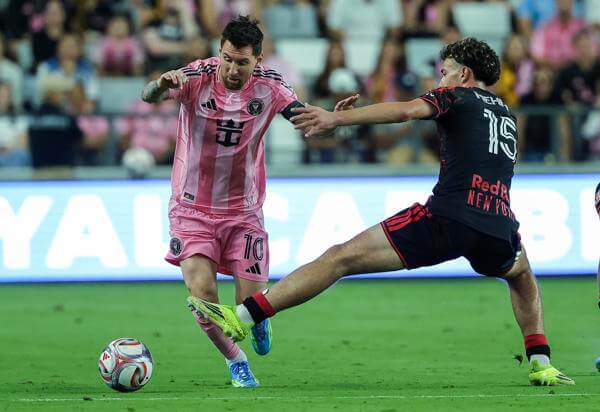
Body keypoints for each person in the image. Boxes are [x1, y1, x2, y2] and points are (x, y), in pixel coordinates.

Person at [189, 37, 576, 387]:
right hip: (498, 224)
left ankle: (242, 317)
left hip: (447, 218)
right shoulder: (506, 113)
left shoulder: (455, 96)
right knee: (521, 274)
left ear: (464, 74)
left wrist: (337, 118)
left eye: (444, 72)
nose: (440, 80)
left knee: (340, 258)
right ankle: (541, 362)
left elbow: (407, 111)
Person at [140, 15, 318, 388]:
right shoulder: (195, 77)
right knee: (202, 294)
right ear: (219, 52)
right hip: (191, 209)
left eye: (242, 62)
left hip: (243, 212)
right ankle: (236, 361)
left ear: (258, 60)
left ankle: (260, 317)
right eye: (227, 59)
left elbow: (304, 119)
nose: (232, 69)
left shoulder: (271, 86)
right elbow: (149, 96)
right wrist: (161, 84)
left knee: (250, 304)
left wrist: (333, 121)